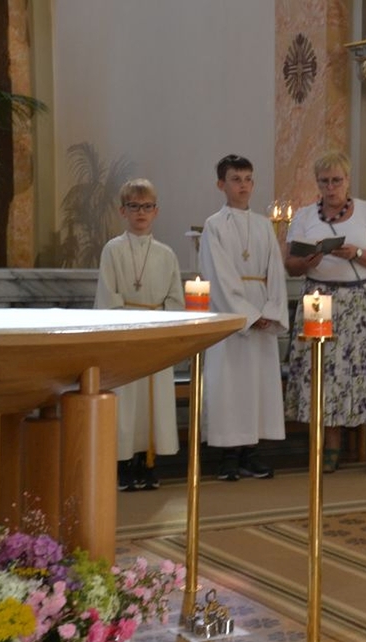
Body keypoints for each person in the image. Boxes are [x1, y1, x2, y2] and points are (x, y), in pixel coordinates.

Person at [284, 151, 366, 475]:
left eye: (336, 180)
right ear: (317, 183)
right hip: (318, 300)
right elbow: (290, 265)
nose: (330, 188)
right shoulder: (305, 216)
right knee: (323, 374)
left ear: (347, 180)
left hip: (359, 301)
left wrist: (356, 253)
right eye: (324, 182)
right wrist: (307, 261)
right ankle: (330, 449)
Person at [199, 154, 289, 481]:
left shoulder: (264, 225)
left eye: (248, 179)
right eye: (236, 179)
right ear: (221, 184)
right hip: (230, 320)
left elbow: (275, 273)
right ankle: (227, 456)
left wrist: (270, 312)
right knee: (229, 385)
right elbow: (218, 276)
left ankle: (251, 453)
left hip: (262, 310)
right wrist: (249, 316)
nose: (244, 186)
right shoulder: (214, 225)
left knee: (257, 386)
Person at [95, 178, 184, 492]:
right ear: (123, 211)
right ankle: (122, 464)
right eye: (134, 206)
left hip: (156, 338)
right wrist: (130, 326)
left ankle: (147, 463)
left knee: (153, 403)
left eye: (147, 207)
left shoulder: (166, 254)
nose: (141, 213)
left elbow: (175, 298)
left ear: (156, 211)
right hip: (125, 338)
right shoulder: (112, 250)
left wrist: (160, 325)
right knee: (125, 402)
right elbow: (108, 295)